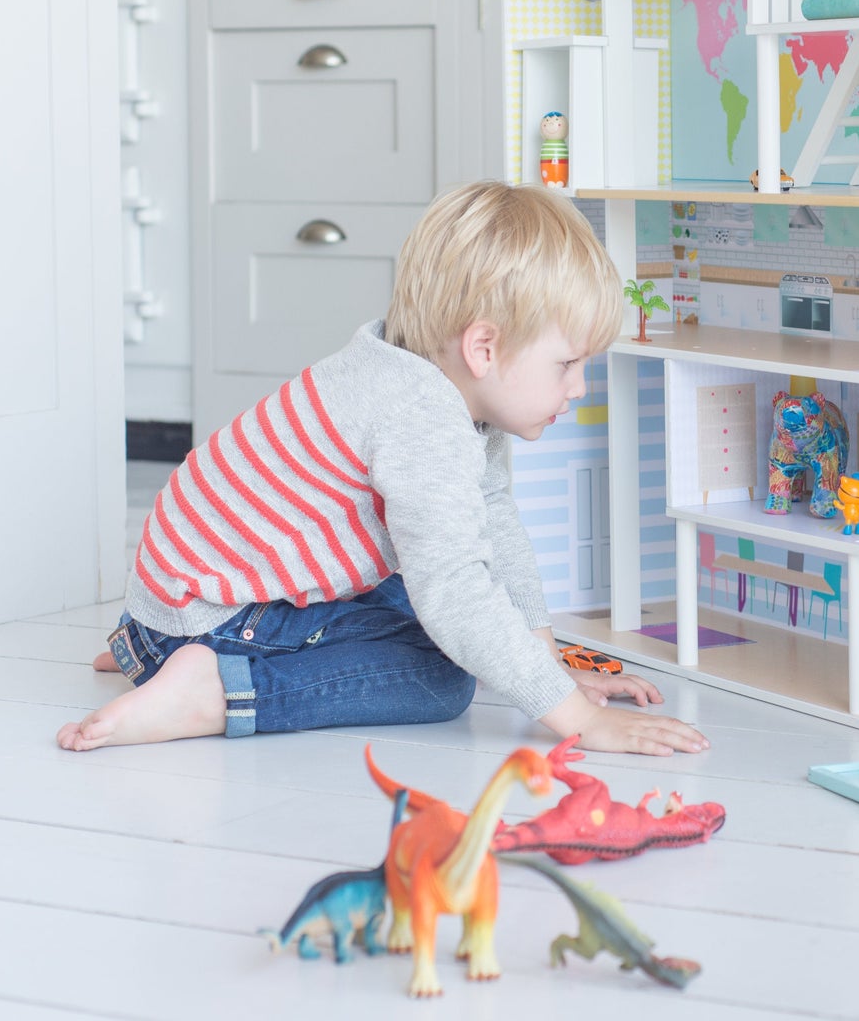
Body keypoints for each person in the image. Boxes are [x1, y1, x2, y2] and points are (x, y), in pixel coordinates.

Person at [58, 182, 709, 758]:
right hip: (208, 615)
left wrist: (548, 668)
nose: (579, 387)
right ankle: (215, 691)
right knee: (442, 674)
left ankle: (150, 646)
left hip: (173, 597)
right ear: (484, 348)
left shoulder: (406, 368)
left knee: (442, 600)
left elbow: (493, 526)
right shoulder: (423, 419)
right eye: (567, 364)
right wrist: (578, 719)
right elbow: (456, 593)